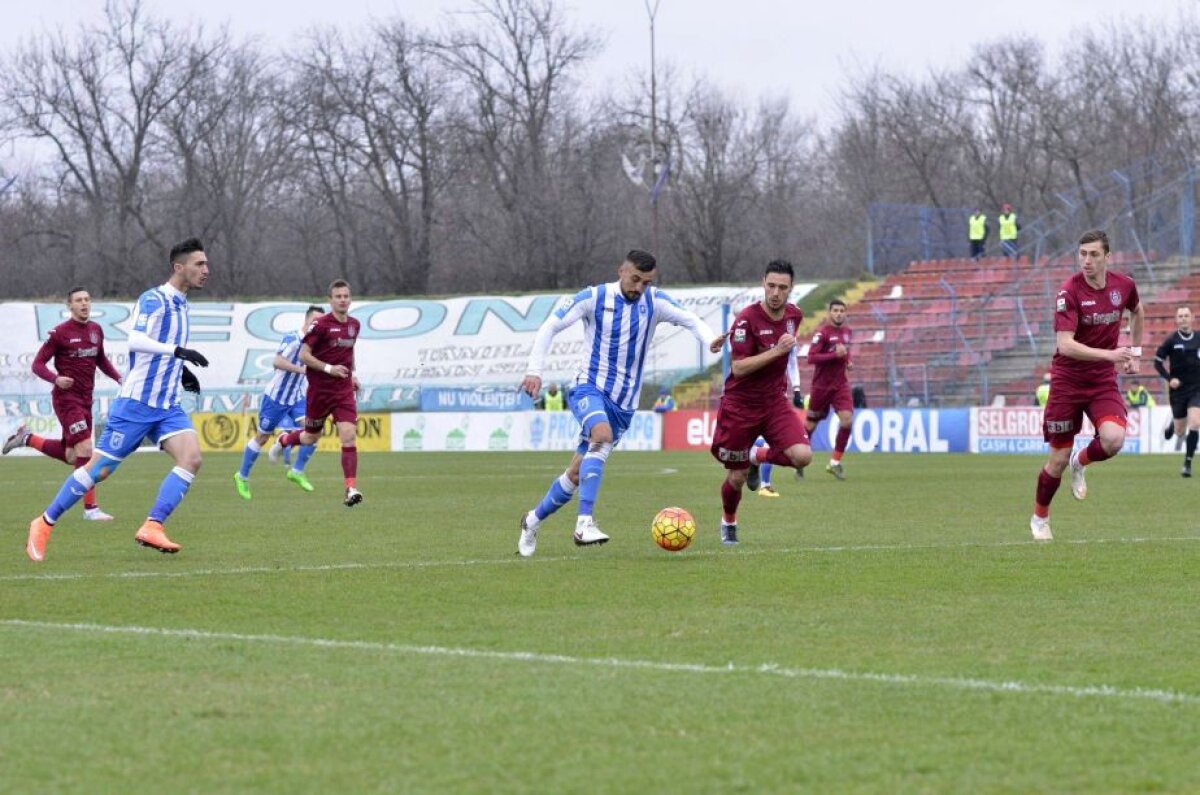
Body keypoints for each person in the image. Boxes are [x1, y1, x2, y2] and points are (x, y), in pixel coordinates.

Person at [516, 249, 724, 557]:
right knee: (602, 436)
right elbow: (551, 326)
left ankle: (531, 520)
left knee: (576, 473)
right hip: (589, 387)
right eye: (635, 279)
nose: (639, 288)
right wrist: (534, 370)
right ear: (621, 271)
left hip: (624, 405)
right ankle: (584, 523)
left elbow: (690, 319)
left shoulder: (655, 303)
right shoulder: (594, 297)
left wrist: (709, 340)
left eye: (647, 282)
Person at [25, 238, 211, 561]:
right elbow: (136, 340)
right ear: (179, 267)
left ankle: (153, 525)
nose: (206, 270)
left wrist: (180, 371)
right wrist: (177, 351)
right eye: (200, 264)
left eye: (206, 264)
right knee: (99, 470)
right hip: (137, 403)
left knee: (192, 458)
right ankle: (43, 522)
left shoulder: (183, 304)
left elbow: (162, 350)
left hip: (167, 405)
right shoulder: (154, 299)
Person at [1029, 229, 1143, 542]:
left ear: (1108, 257)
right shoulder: (1069, 292)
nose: (1087, 261)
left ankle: (1082, 462)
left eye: (1093, 254)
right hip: (1068, 381)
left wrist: (1135, 352)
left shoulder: (1124, 286)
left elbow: (1137, 310)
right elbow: (1065, 345)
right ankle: (1040, 518)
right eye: (1082, 254)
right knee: (1056, 460)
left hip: (1101, 380)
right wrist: (1112, 354)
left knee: (1114, 439)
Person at [712, 260, 812, 543]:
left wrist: (792, 383)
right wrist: (776, 350)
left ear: (791, 288)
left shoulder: (794, 316)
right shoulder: (746, 319)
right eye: (771, 286)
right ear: (763, 283)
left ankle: (758, 455)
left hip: (773, 403)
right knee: (737, 477)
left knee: (803, 456)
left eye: (783, 287)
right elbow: (738, 368)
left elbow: (788, 355)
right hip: (740, 406)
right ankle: (729, 521)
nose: (776, 292)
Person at [3, 287, 122, 521]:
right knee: (86, 449)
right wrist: (55, 378)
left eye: (87, 299)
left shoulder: (96, 330)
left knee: (72, 456)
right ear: (70, 306)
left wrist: (119, 378)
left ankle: (27, 438)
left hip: (86, 399)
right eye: (79, 300)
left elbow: (101, 360)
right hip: (66, 400)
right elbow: (37, 364)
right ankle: (91, 509)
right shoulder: (60, 333)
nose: (84, 304)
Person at [273, 280, 364, 506]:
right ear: (330, 300)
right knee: (310, 436)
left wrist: (352, 374)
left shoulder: (355, 325)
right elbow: (304, 355)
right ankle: (284, 439)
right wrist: (328, 369)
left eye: (346, 296)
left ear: (350, 299)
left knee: (348, 435)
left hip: (342, 391)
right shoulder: (320, 325)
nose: (343, 299)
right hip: (319, 392)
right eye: (338, 296)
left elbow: (348, 353)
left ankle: (350, 488)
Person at [233, 305, 323, 500]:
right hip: (276, 398)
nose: (317, 324)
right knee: (261, 438)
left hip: (297, 397)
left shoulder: (316, 344)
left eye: (320, 322)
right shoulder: (292, 338)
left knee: (314, 431)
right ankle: (242, 476)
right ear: (306, 320)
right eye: (314, 321)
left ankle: (296, 470)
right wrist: (303, 371)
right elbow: (277, 362)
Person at [806, 299, 855, 480]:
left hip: (840, 385)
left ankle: (834, 462)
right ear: (829, 313)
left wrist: (848, 361)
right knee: (811, 424)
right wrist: (835, 355)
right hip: (821, 387)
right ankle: (799, 460)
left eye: (842, 310)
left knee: (847, 421)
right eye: (835, 310)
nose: (839, 313)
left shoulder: (848, 332)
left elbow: (845, 351)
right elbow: (811, 358)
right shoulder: (822, 334)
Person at [1153, 306, 1200, 477]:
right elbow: (1157, 362)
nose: (1184, 318)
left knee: (1195, 423)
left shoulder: (1199, 337)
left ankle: (1187, 463)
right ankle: (1174, 424)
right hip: (1178, 391)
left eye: (1186, 315)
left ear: (1192, 318)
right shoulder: (1171, 340)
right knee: (1180, 431)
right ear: (1177, 319)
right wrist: (1169, 379)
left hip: (1197, 388)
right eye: (1180, 316)